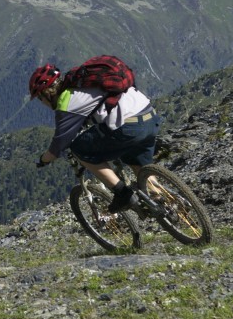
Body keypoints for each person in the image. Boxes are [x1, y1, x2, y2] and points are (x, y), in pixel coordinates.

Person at [29, 62, 160, 213]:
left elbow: (59, 143)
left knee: (79, 149)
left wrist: (43, 160)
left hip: (129, 128)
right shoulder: (83, 83)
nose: (42, 102)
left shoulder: (66, 101)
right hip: (149, 115)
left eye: (40, 98)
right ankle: (163, 201)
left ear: (47, 93)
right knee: (135, 159)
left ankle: (123, 193)